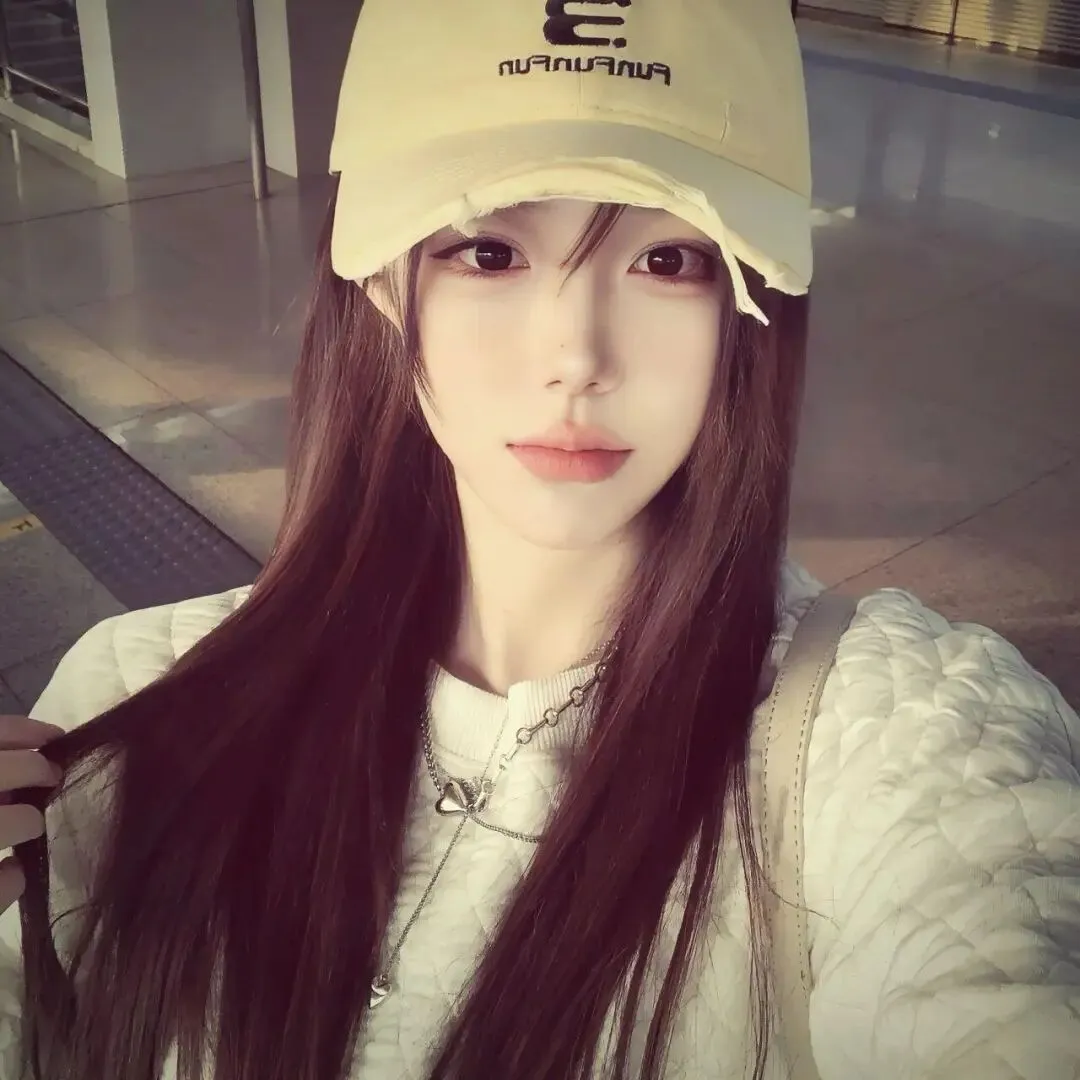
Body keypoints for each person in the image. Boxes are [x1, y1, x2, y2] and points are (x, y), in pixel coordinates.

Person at [1, 1, 1078, 1078]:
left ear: (749, 305)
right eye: (490, 250)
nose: (578, 356)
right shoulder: (124, 710)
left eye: (669, 260)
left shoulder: (902, 735)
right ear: (381, 283)